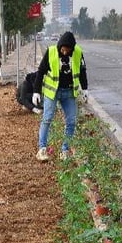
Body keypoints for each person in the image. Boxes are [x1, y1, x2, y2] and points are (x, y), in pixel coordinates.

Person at [32, 31, 88, 162]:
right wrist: (36, 91)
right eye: (63, 49)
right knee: (47, 119)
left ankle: (65, 151)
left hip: (69, 92)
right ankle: (42, 149)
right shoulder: (51, 52)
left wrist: (85, 88)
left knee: (71, 121)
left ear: (72, 48)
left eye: (68, 50)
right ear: (60, 46)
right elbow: (40, 72)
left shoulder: (78, 52)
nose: (65, 52)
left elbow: (82, 72)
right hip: (52, 92)